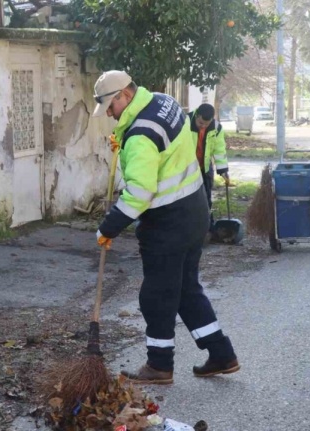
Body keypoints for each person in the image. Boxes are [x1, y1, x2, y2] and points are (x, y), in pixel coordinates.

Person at [93, 71, 239, 384]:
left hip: (168, 223)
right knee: (186, 289)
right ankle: (221, 354)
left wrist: (108, 228)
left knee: (156, 296)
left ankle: (159, 366)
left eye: (110, 105)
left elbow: (140, 194)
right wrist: (127, 135)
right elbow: (168, 149)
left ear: (125, 96)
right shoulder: (164, 102)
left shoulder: (140, 137)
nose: (108, 112)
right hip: (196, 210)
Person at [188, 103, 229, 238]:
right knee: (188, 200)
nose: (203, 126)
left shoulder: (216, 128)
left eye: (206, 124)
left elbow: (219, 150)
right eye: (200, 123)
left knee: (206, 199)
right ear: (196, 115)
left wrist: (223, 170)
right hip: (186, 170)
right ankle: (188, 229)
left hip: (205, 168)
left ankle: (207, 229)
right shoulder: (185, 123)